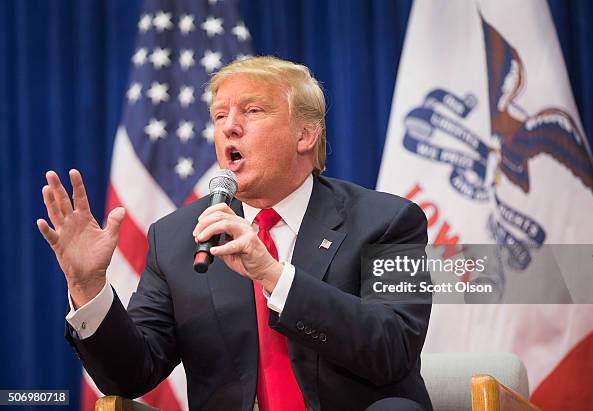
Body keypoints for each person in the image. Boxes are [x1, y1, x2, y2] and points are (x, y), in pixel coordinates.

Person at [37, 56, 432, 411]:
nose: (230, 128)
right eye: (219, 116)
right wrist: (88, 287)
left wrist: (272, 276)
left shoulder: (390, 221)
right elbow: (131, 376)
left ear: (305, 135)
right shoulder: (177, 239)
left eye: (253, 110)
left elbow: (394, 347)